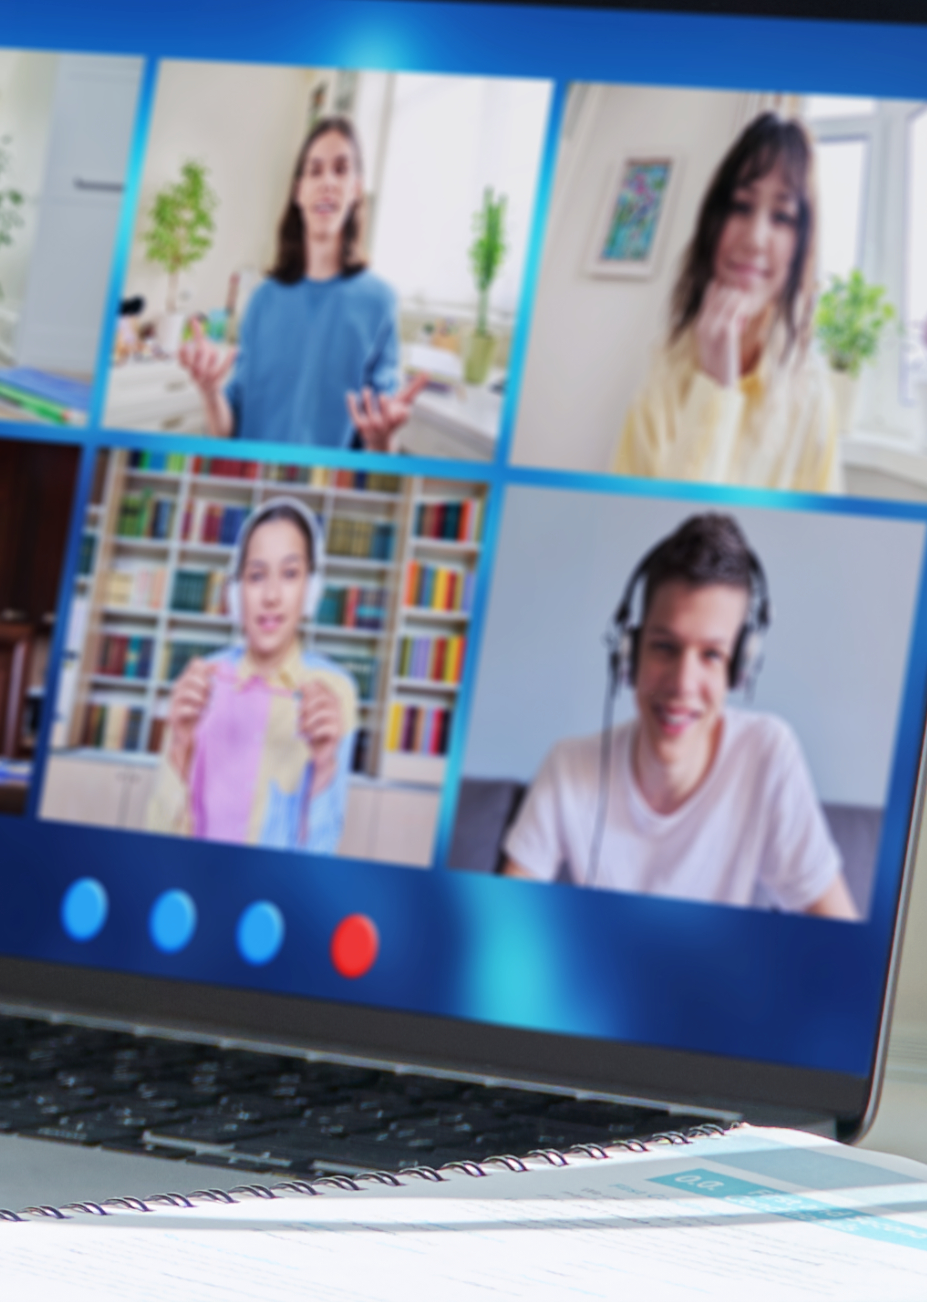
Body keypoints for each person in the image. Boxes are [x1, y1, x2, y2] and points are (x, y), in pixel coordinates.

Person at [497, 513, 861, 912]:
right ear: (631, 654)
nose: (683, 683)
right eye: (665, 647)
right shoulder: (568, 768)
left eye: (711, 654)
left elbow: (839, 938)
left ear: (738, 668)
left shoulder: (767, 755)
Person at [608, 109, 847, 491]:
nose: (754, 237)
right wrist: (714, 389)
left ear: (802, 248)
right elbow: (671, 542)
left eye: (783, 217)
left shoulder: (813, 401)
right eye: (740, 206)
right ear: (712, 223)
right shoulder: (660, 385)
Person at [178, 108, 414, 453]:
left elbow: (377, 446)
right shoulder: (261, 301)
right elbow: (224, 434)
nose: (328, 182)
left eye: (341, 169)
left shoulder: (381, 302)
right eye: (315, 170)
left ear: (356, 190)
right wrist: (210, 394)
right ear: (299, 191)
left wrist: (384, 441)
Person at [155, 498, 365, 849]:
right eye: (256, 576)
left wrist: (325, 764)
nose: (271, 596)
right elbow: (157, 835)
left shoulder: (336, 691)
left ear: (310, 591)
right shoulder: (201, 680)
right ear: (236, 593)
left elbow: (321, 854)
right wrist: (179, 745)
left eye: (289, 574)